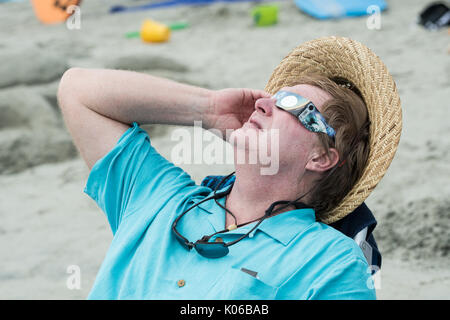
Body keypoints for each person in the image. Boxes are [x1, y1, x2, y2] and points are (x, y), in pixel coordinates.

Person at [57, 37, 401, 299]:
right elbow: (77, 91)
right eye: (273, 95)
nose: (265, 103)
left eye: (292, 104)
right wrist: (206, 108)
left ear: (321, 157)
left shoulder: (330, 262)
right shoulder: (159, 198)